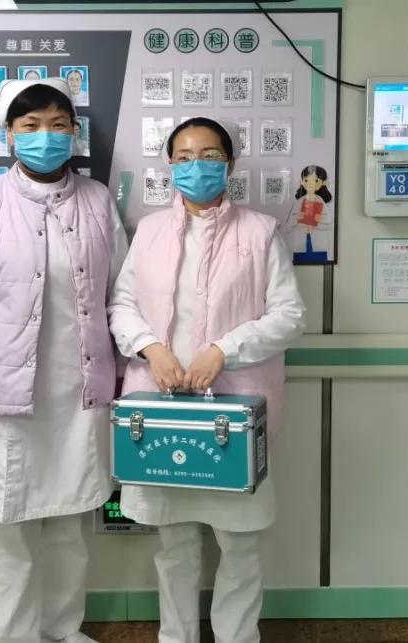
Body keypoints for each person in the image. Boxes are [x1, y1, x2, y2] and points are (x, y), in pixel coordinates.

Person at [0, 77, 127, 643]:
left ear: (74, 132)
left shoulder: (97, 200)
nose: (46, 136)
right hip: (5, 395)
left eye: (58, 124)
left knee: (70, 524)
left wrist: (128, 375)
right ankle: (16, 636)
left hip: (81, 392)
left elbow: (120, 292)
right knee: (8, 526)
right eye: (31, 125)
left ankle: (64, 630)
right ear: (9, 135)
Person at [108, 117, 306, 643]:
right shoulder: (149, 231)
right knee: (173, 543)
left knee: (241, 544)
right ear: (170, 165)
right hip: (162, 408)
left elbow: (289, 315)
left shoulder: (261, 232)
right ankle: (177, 637)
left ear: (230, 164)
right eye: (185, 157)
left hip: (234, 413)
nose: (197, 166)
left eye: (211, 156)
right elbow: (122, 304)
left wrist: (223, 350)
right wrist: (151, 348)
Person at [285, 164, 333, 263]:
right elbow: (289, 224)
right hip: (301, 242)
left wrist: (320, 219)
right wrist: (297, 218)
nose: (311, 184)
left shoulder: (320, 201)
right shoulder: (299, 202)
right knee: (301, 264)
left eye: (316, 181)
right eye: (307, 180)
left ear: (323, 183)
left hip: (318, 243)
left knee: (319, 263)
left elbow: (329, 221)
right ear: (302, 182)